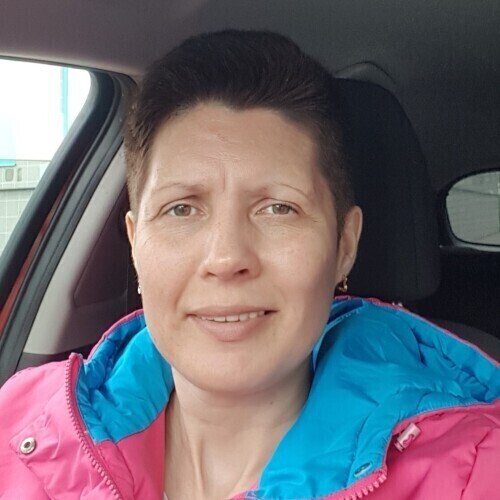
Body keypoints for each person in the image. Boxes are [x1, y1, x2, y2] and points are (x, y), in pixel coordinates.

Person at [0, 30, 499, 500]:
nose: (225, 258)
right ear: (135, 243)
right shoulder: (24, 429)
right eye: (181, 209)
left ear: (344, 245)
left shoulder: (473, 471)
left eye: (278, 208)